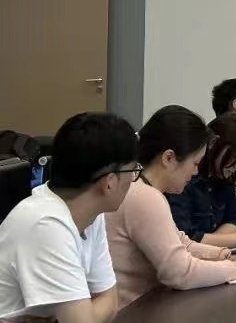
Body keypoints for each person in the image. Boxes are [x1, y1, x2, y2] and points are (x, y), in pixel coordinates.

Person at [106, 106, 236, 308]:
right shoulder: (145, 197)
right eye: (195, 163)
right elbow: (179, 273)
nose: (196, 172)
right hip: (134, 311)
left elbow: (182, 243)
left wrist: (226, 255)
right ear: (168, 158)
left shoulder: (143, 188)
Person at [0, 112, 137, 323]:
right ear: (109, 183)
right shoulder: (46, 224)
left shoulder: (91, 214)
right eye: (133, 170)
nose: (134, 178)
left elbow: (110, 301)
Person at [166, 113, 236, 248]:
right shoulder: (183, 180)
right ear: (214, 143)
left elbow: (235, 218)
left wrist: (217, 243)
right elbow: (186, 238)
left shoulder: (223, 177)